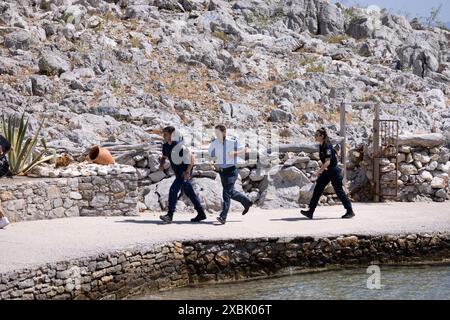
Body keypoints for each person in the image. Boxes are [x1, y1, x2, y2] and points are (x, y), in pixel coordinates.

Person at [300, 127, 355, 219]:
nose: (315, 136)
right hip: (327, 172)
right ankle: (310, 211)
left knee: (339, 191)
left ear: (322, 136)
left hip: (333, 171)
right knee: (318, 189)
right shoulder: (321, 146)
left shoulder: (327, 146)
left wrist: (318, 171)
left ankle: (350, 211)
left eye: (317, 135)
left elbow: (328, 162)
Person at [159, 126, 206, 224]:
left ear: (172, 135)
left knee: (173, 190)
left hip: (184, 172)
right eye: (163, 134)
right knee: (190, 193)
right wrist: (161, 165)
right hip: (177, 172)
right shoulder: (165, 146)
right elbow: (163, 156)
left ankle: (169, 215)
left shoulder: (179, 145)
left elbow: (192, 158)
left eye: (166, 134)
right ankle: (201, 213)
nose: (164, 136)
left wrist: (188, 172)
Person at [208, 124, 253, 225]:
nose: (216, 135)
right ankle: (246, 202)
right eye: (215, 133)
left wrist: (235, 153)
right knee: (230, 192)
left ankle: (223, 217)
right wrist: (212, 161)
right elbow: (210, 154)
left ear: (224, 132)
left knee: (226, 193)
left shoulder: (232, 141)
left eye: (218, 133)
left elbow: (246, 149)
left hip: (231, 171)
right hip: (222, 171)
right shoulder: (215, 142)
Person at [0, 135, 11, 229]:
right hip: (3, 167)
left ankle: (2, 218)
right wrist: (2, 155)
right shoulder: (1, 138)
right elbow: (8, 146)